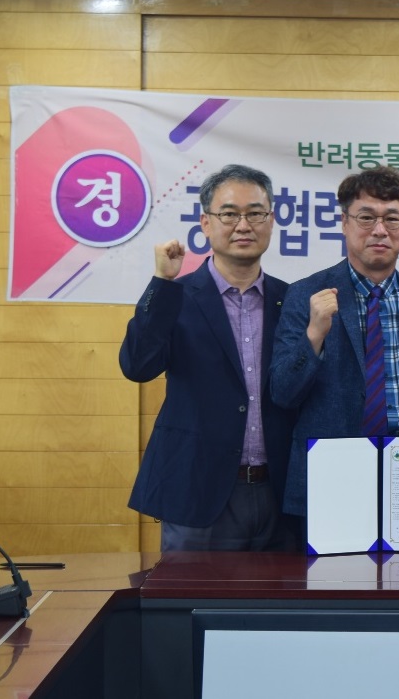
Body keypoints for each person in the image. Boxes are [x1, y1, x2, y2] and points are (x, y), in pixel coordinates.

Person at [121, 164, 296, 551]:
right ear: (205, 222)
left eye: (255, 213)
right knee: (190, 592)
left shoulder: (293, 301)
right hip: (196, 488)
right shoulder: (176, 295)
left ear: (271, 221)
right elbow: (137, 365)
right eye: (229, 214)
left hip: (278, 494)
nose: (243, 225)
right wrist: (161, 283)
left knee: (282, 592)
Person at [271, 166, 399, 519]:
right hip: (329, 477)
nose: (380, 230)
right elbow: (282, 393)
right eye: (366, 217)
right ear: (344, 222)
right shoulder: (305, 296)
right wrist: (314, 335)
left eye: (393, 219)